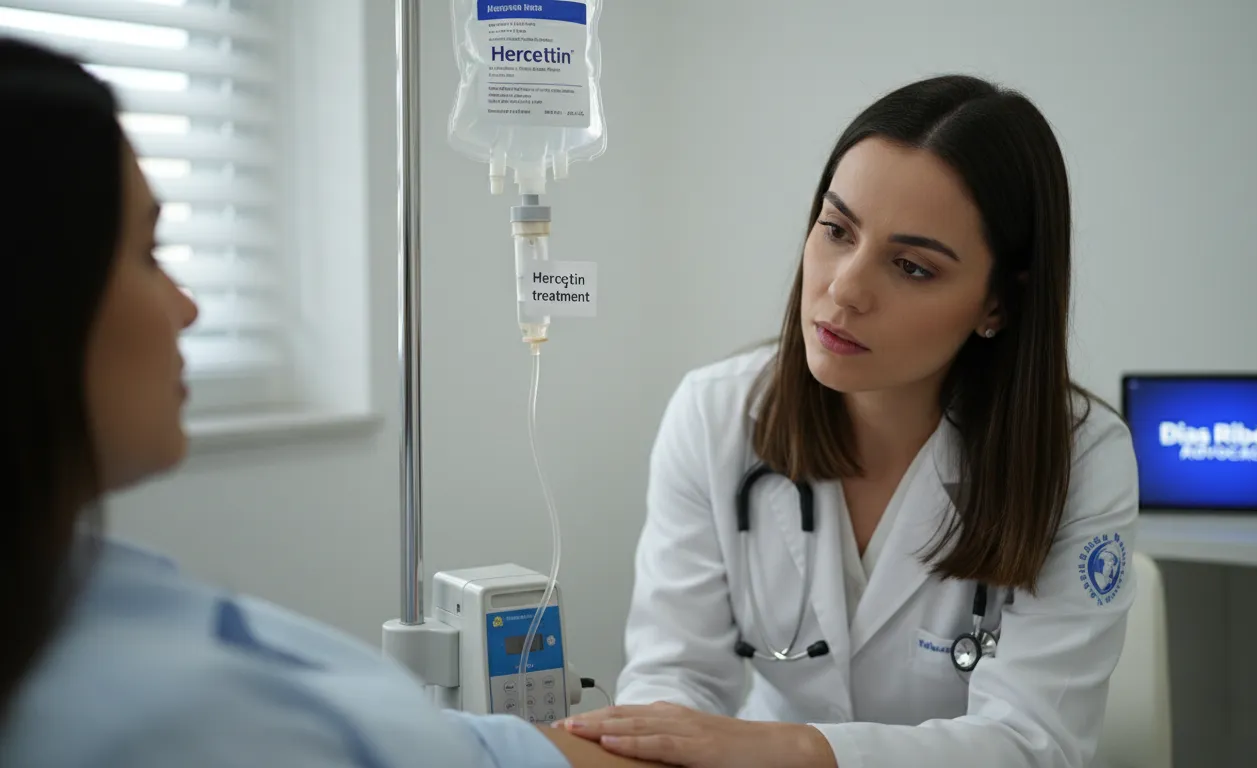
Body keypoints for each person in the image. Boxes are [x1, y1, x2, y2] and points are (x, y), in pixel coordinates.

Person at [0, 37, 658, 768]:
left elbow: (478, 746)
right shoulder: (158, 720)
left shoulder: (90, 586)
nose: (187, 306)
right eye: (148, 254)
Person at [556, 75, 1141, 768]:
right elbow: (676, 681)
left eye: (912, 267)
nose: (844, 288)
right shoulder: (715, 415)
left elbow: (1029, 744)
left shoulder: (1081, 461)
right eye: (836, 231)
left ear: (997, 306)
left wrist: (801, 750)